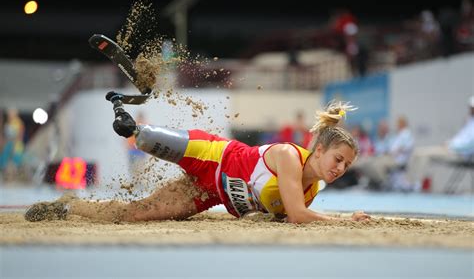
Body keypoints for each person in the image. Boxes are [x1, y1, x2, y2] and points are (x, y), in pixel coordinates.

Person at [24, 97, 370, 224]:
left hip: (209, 193)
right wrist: (347, 221)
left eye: (346, 166)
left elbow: (290, 213)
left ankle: (67, 207)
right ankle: (123, 111)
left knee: (133, 214)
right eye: (338, 159)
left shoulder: (311, 192)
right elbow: (296, 216)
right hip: (212, 155)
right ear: (319, 150)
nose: (339, 169)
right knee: (143, 137)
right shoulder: (289, 158)